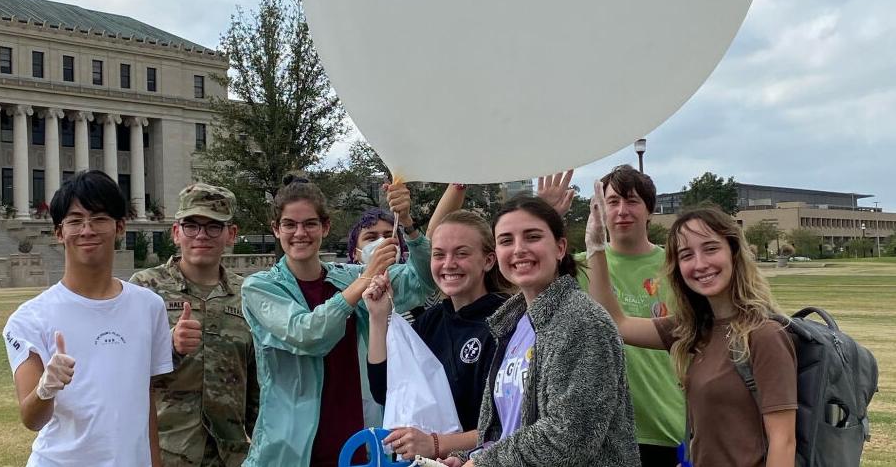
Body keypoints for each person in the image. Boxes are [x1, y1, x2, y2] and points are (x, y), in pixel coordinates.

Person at [585, 189, 797, 467]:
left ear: (733, 253)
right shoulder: (691, 330)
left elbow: (784, 442)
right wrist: (596, 246)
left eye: (710, 249)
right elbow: (617, 323)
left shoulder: (764, 335)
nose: (700, 264)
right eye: (686, 255)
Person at [240, 175, 438, 467]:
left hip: (354, 447)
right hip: (288, 453)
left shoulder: (347, 277)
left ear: (325, 227)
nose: (300, 233)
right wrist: (366, 279)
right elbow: (308, 334)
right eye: (289, 225)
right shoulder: (259, 286)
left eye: (310, 223)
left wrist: (408, 224)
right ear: (276, 229)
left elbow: (422, 281)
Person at [445, 195, 639, 467]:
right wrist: (469, 457)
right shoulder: (510, 325)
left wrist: (483, 463)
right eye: (506, 240)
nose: (518, 249)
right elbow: (508, 430)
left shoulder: (582, 321)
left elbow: (569, 437)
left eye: (532, 237)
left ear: (560, 248)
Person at [2, 170, 172, 466]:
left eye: (99, 218)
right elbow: (31, 419)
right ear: (59, 232)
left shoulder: (149, 306)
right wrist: (47, 386)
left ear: (120, 227)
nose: (87, 230)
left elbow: (145, 400)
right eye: (75, 220)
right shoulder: (29, 318)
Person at [130, 183, 258, 466]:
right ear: (176, 233)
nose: (202, 235)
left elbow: (256, 381)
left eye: (214, 226)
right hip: (166, 451)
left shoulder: (247, 293)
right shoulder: (144, 289)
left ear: (231, 235)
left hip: (231, 456)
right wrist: (169, 345)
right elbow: (122, 369)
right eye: (191, 226)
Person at [364, 209, 508, 460]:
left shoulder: (507, 322)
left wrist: (437, 443)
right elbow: (385, 390)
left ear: (488, 260)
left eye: (461, 253)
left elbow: (511, 423)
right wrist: (377, 318)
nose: (448, 264)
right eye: (439, 254)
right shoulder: (431, 321)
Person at [576, 166, 685, 466]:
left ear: (650, 211)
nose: (622, 210)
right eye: (612, 202)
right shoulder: (580, 266)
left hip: (663, 423)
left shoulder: (677, 266)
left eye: (633, 201)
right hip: (599, 428)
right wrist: (545, 211)